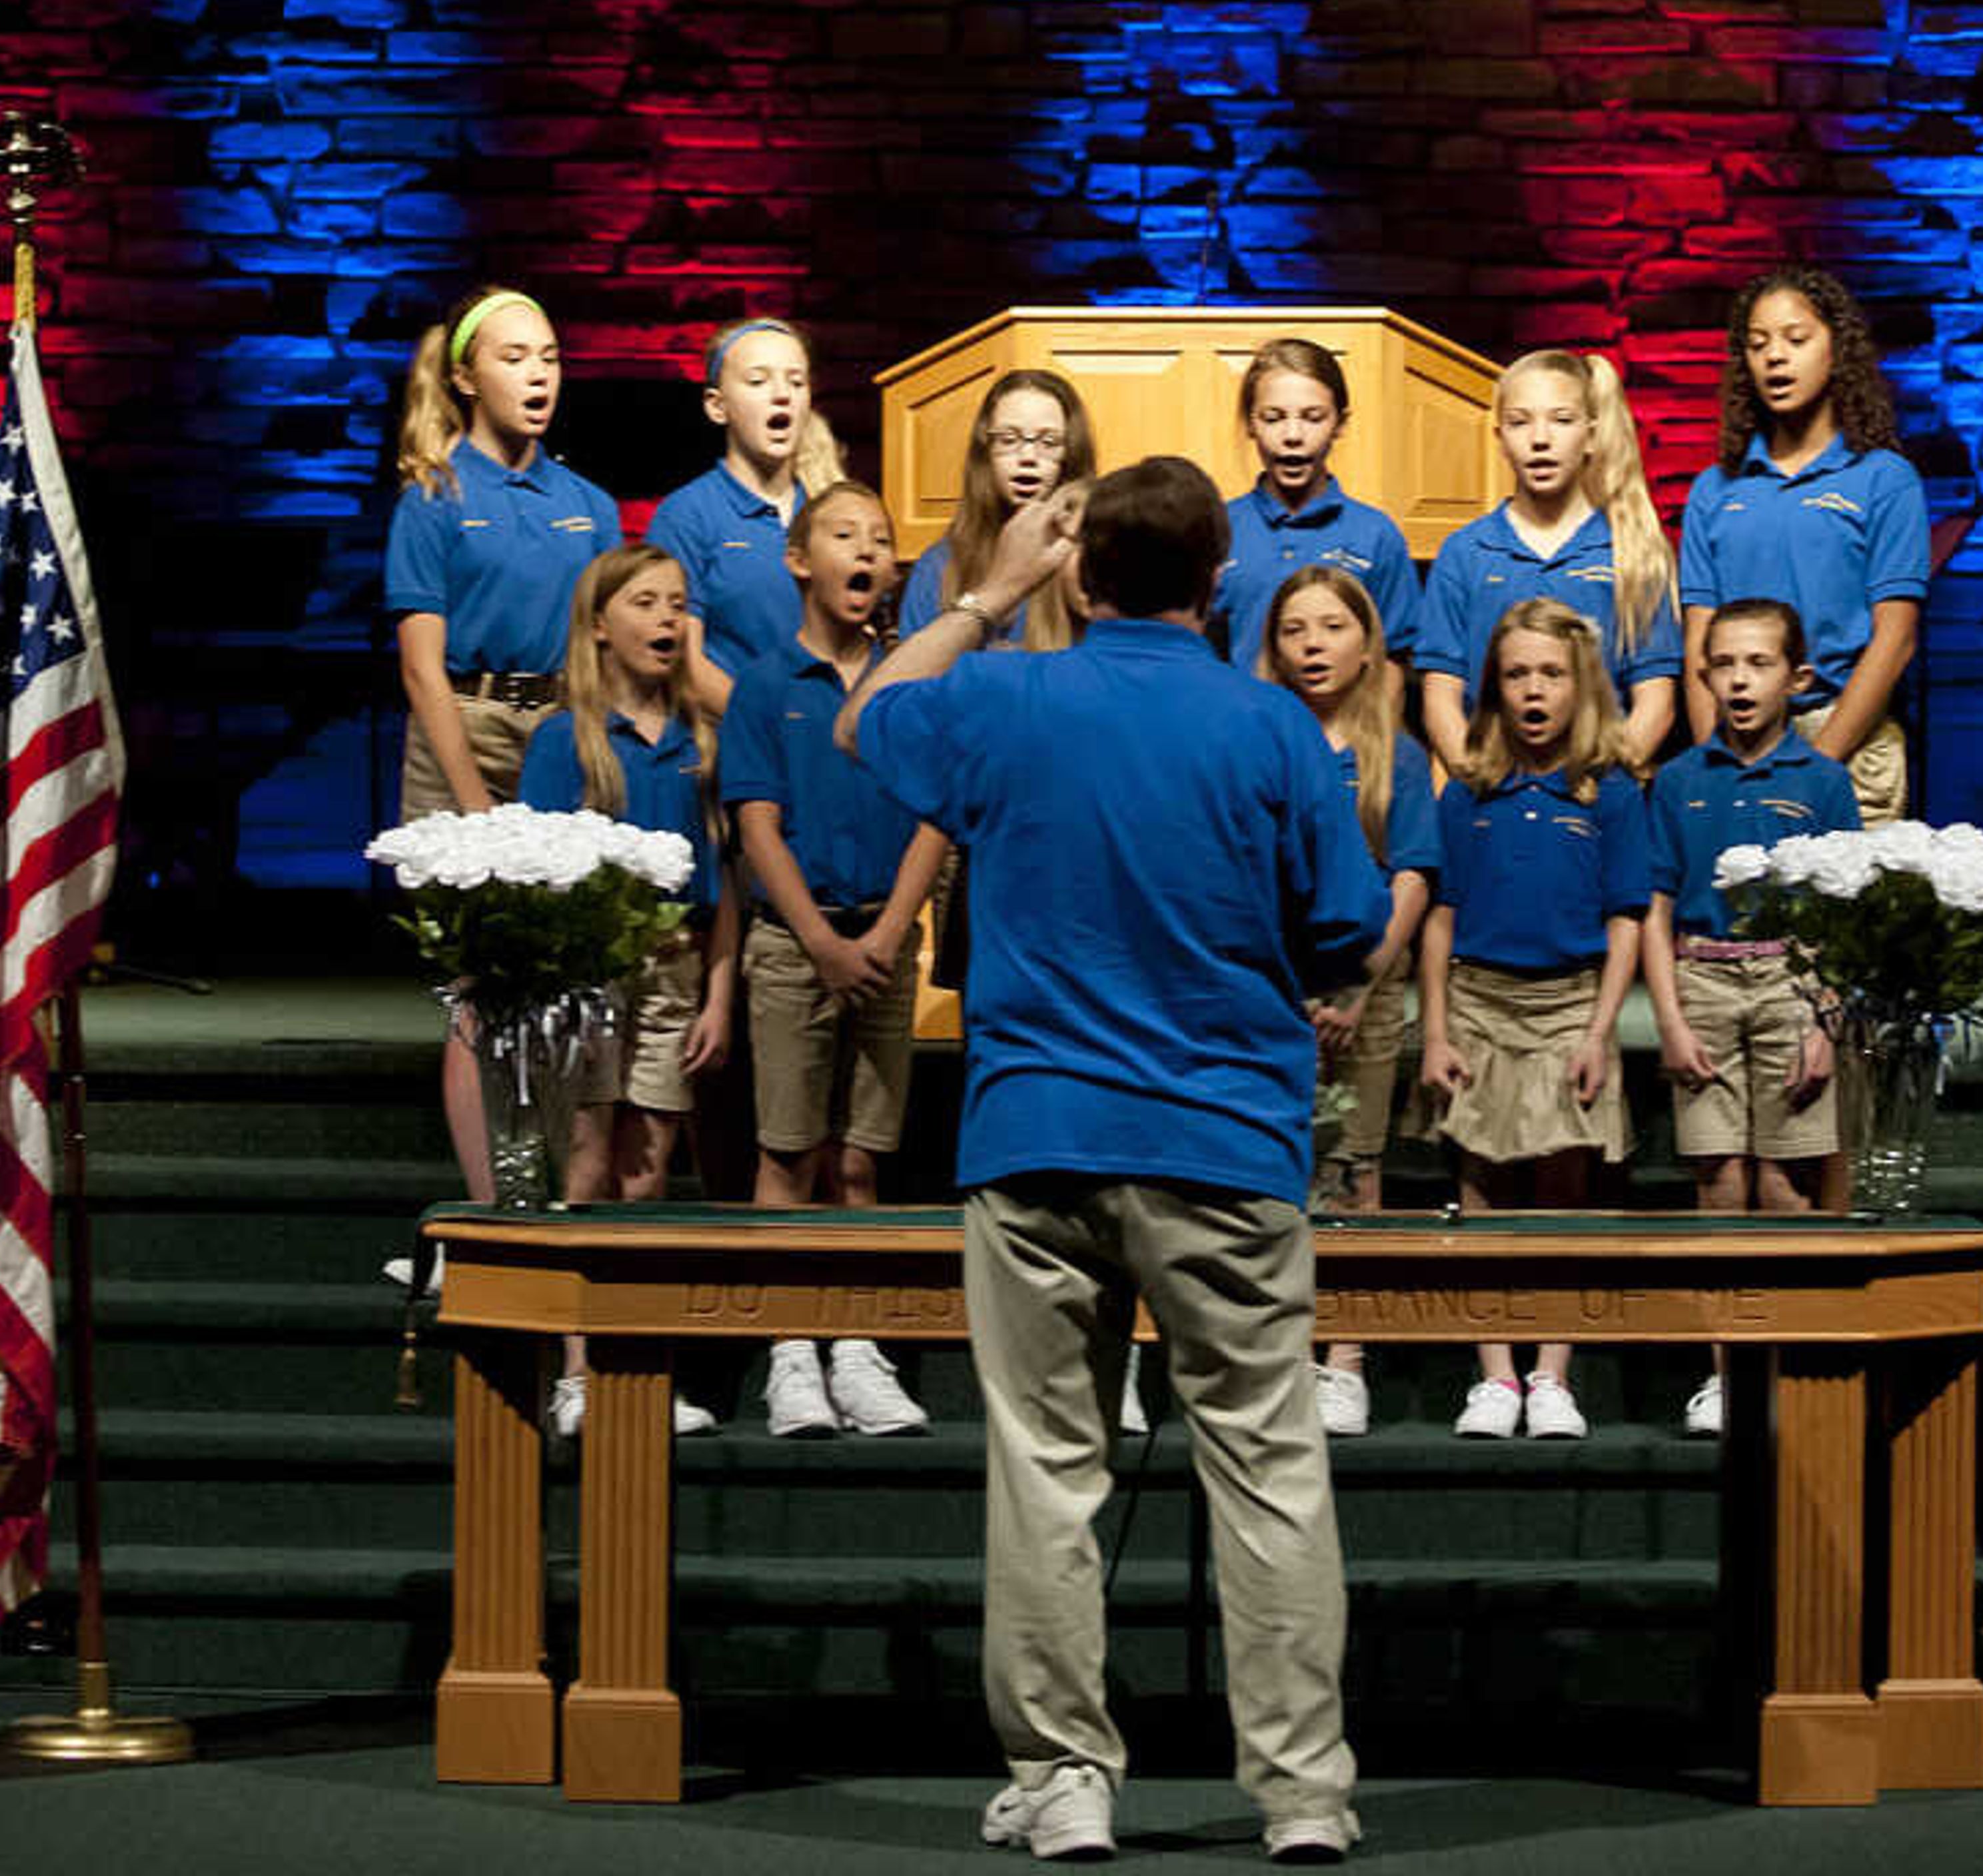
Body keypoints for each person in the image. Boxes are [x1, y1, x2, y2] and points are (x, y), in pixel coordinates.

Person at [842, 456, 1389, 1865]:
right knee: (1270, 1468)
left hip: (1036, 1139)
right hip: (1223, 1140)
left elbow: (867, 716)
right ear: (1223, 580)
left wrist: (986, 591)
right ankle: (1305, 1798)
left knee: (1047, 1468)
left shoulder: (1008, 695)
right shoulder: (1273, 727)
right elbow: (1346, 930)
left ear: (1086, 572)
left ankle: (1067, 1776)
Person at [385, 282, 619, 1211]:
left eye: (550, 358)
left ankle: (555, 1207)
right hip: (467, 728)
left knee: (566, 990)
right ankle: (492, 1220)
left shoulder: (588, 503)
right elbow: (421, 670)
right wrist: (472, 801)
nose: (538, 375)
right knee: (479, 990)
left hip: (562, 732)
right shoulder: (436, 497)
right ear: (468, 376)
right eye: (515, 357)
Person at [724, 480, 944, 1439]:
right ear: (800, 562)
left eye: (882, 540)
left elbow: (937, 817)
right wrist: (819, 939)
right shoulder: (768, 687)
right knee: (789, 1152)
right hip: (795, 948)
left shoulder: (908, 681)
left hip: (884, 945)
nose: (868, 552)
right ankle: (789, 1352)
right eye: (845, 536)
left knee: (861, 1161)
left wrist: (889, 936)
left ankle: (856, 1344)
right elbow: (756, 824)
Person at [1417, 599, 1651, 1446]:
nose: (1534, 690)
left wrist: (1598, 1030)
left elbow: (1628, 915)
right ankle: (1495, 1376)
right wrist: (1436, 1030)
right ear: (1495, 687)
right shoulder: (1470, 789)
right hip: (1480, 999)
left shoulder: (1611, 790)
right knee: (1479, 1186)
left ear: (1580, 684)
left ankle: (1553, 1374)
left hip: (1569, 1005)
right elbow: (1439, 916)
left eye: (1550, 673)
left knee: (1564, 1187)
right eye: (1517, 674)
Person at [518, 545, 736, 1440]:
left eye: (678, 605)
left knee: (649, 1167)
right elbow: (534, 875)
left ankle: (631, 1363)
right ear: (601, 624)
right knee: (587, 1159)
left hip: (676, 968)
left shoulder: (702, 742)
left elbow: (730, 887)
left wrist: (718, 996)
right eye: (644, 603)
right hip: (588, 972)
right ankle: (574, 1369)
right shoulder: (564, 739)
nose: (664, 620)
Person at [1641, 599, 1861, 1435]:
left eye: (1758, 664)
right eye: (1723, 664)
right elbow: (1656, 904)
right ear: (1703, 676)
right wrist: (1668, 1016)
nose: (1738, 680)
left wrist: (1824, 1021)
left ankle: (1790, 1357)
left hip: (1791, 982)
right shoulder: (1681, 780)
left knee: (1784, 1179)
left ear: (1797, 679)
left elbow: (1845, 907)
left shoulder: (1823, 781)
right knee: (1720, 1178)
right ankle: (1725, 1366)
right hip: (1703, 983)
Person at [1262, 564, 1440, 1440]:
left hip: (1365, 988)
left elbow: (1410, 875)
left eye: (1331, 628)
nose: (1313, 646)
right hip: (1273, 994)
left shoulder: (1395, 753)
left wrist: (1360, 985)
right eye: (1295, 630)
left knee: (1354, 1167)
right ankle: (1280, 1350)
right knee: (1276, 1169)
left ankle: (1347, 1356)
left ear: (1366, 645)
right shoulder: (1259, 740)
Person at [1677, 264, 1929, 825]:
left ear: (1836, 350)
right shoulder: (1715, 491)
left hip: (1850, 737)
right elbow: (1698, 640)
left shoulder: (1884, 479)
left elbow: (1896, 639)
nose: (1775, 357)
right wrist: (1710, 764)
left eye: (1796, 339)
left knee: (1841, 913)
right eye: (1758, 343)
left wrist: (1819, 767)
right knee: (1734, 913)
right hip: (1736, 737)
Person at [1415, 348, 1680, 773]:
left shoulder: (1633, 554)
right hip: (1490, 795)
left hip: (1596, 798)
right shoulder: (1465, 553)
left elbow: (1656, 701)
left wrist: (1596, 789)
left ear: (1592, 434)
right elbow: (1441, 694)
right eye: (1521, 422)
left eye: (1562, 420)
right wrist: (1479, 782)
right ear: (1500, 437)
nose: (1541, 439)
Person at [648, 316, 847, 715]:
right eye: (758, 381)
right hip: (736, 747)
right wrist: (765, 725)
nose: (782, 395)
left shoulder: (830, 510)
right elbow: (683, 661)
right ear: (717, 407)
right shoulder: (686, 516)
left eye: (796, 381)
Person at [1215, 336, 1420, 680]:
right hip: (1243, 729)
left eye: (1313, 418)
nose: (1293, 435)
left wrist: (1364, 735)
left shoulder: (1376, 535)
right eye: (1273, 418)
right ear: (1251, 423)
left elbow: (1394, 661)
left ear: (1340, 424)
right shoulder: (1218, 529)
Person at [901, 365, 1096, 654]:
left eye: (1049, 442)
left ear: (1071, 454)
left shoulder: (1093, 562)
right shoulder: (939, 566)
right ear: (985, 452)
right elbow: (907, 687)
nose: (1028, 457)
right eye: (1008, 440)